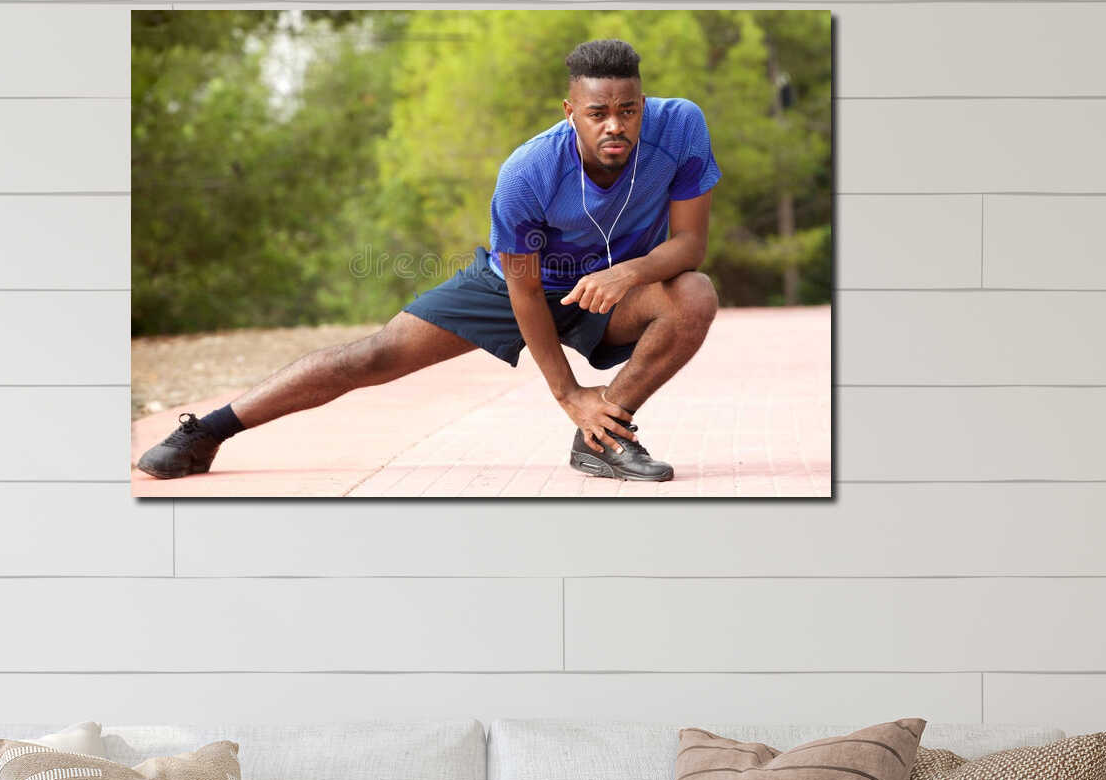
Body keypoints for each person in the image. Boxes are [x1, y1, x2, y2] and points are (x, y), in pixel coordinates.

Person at [135, 37, 721, 483]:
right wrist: (568, 394)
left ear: (643, 103)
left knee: (694, 294)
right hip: (515, 283)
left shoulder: (681, 126)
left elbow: (689, 245)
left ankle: (604, 441)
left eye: (628, 109)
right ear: (571, 110)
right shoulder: (529, 170)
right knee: (373, 355)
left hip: (614, 288)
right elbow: (521, 289)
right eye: (598, 113)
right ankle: (206, 433)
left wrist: (629, 272)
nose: (615, 125)